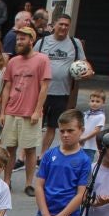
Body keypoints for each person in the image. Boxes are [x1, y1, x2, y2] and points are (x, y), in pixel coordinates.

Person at [0, 26, 51, 196]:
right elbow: (7, 86)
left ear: (31, 40)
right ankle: (7, 180)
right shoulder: (13, 61)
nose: (19, 42)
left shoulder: (42, 60)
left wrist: (37, 110)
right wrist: (3, 112)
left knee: (30, 149)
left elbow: (44, 87)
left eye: (23, 39)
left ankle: (28, 183)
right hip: (12, 111)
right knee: (9, 148)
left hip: (30, 113)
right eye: (18, 39)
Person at [36, 13, 93, 152]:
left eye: (66, 25)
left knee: (52, 126)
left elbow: (85, 64)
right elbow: (31, 62)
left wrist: (89, 71)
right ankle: (23, 157)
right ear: (54, 25)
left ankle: (42, 156)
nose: (63, 27)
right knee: (34, 125)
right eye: (60, 24)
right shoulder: (42, 42)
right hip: (41, 92)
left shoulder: (75, 43)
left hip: (62, 92)